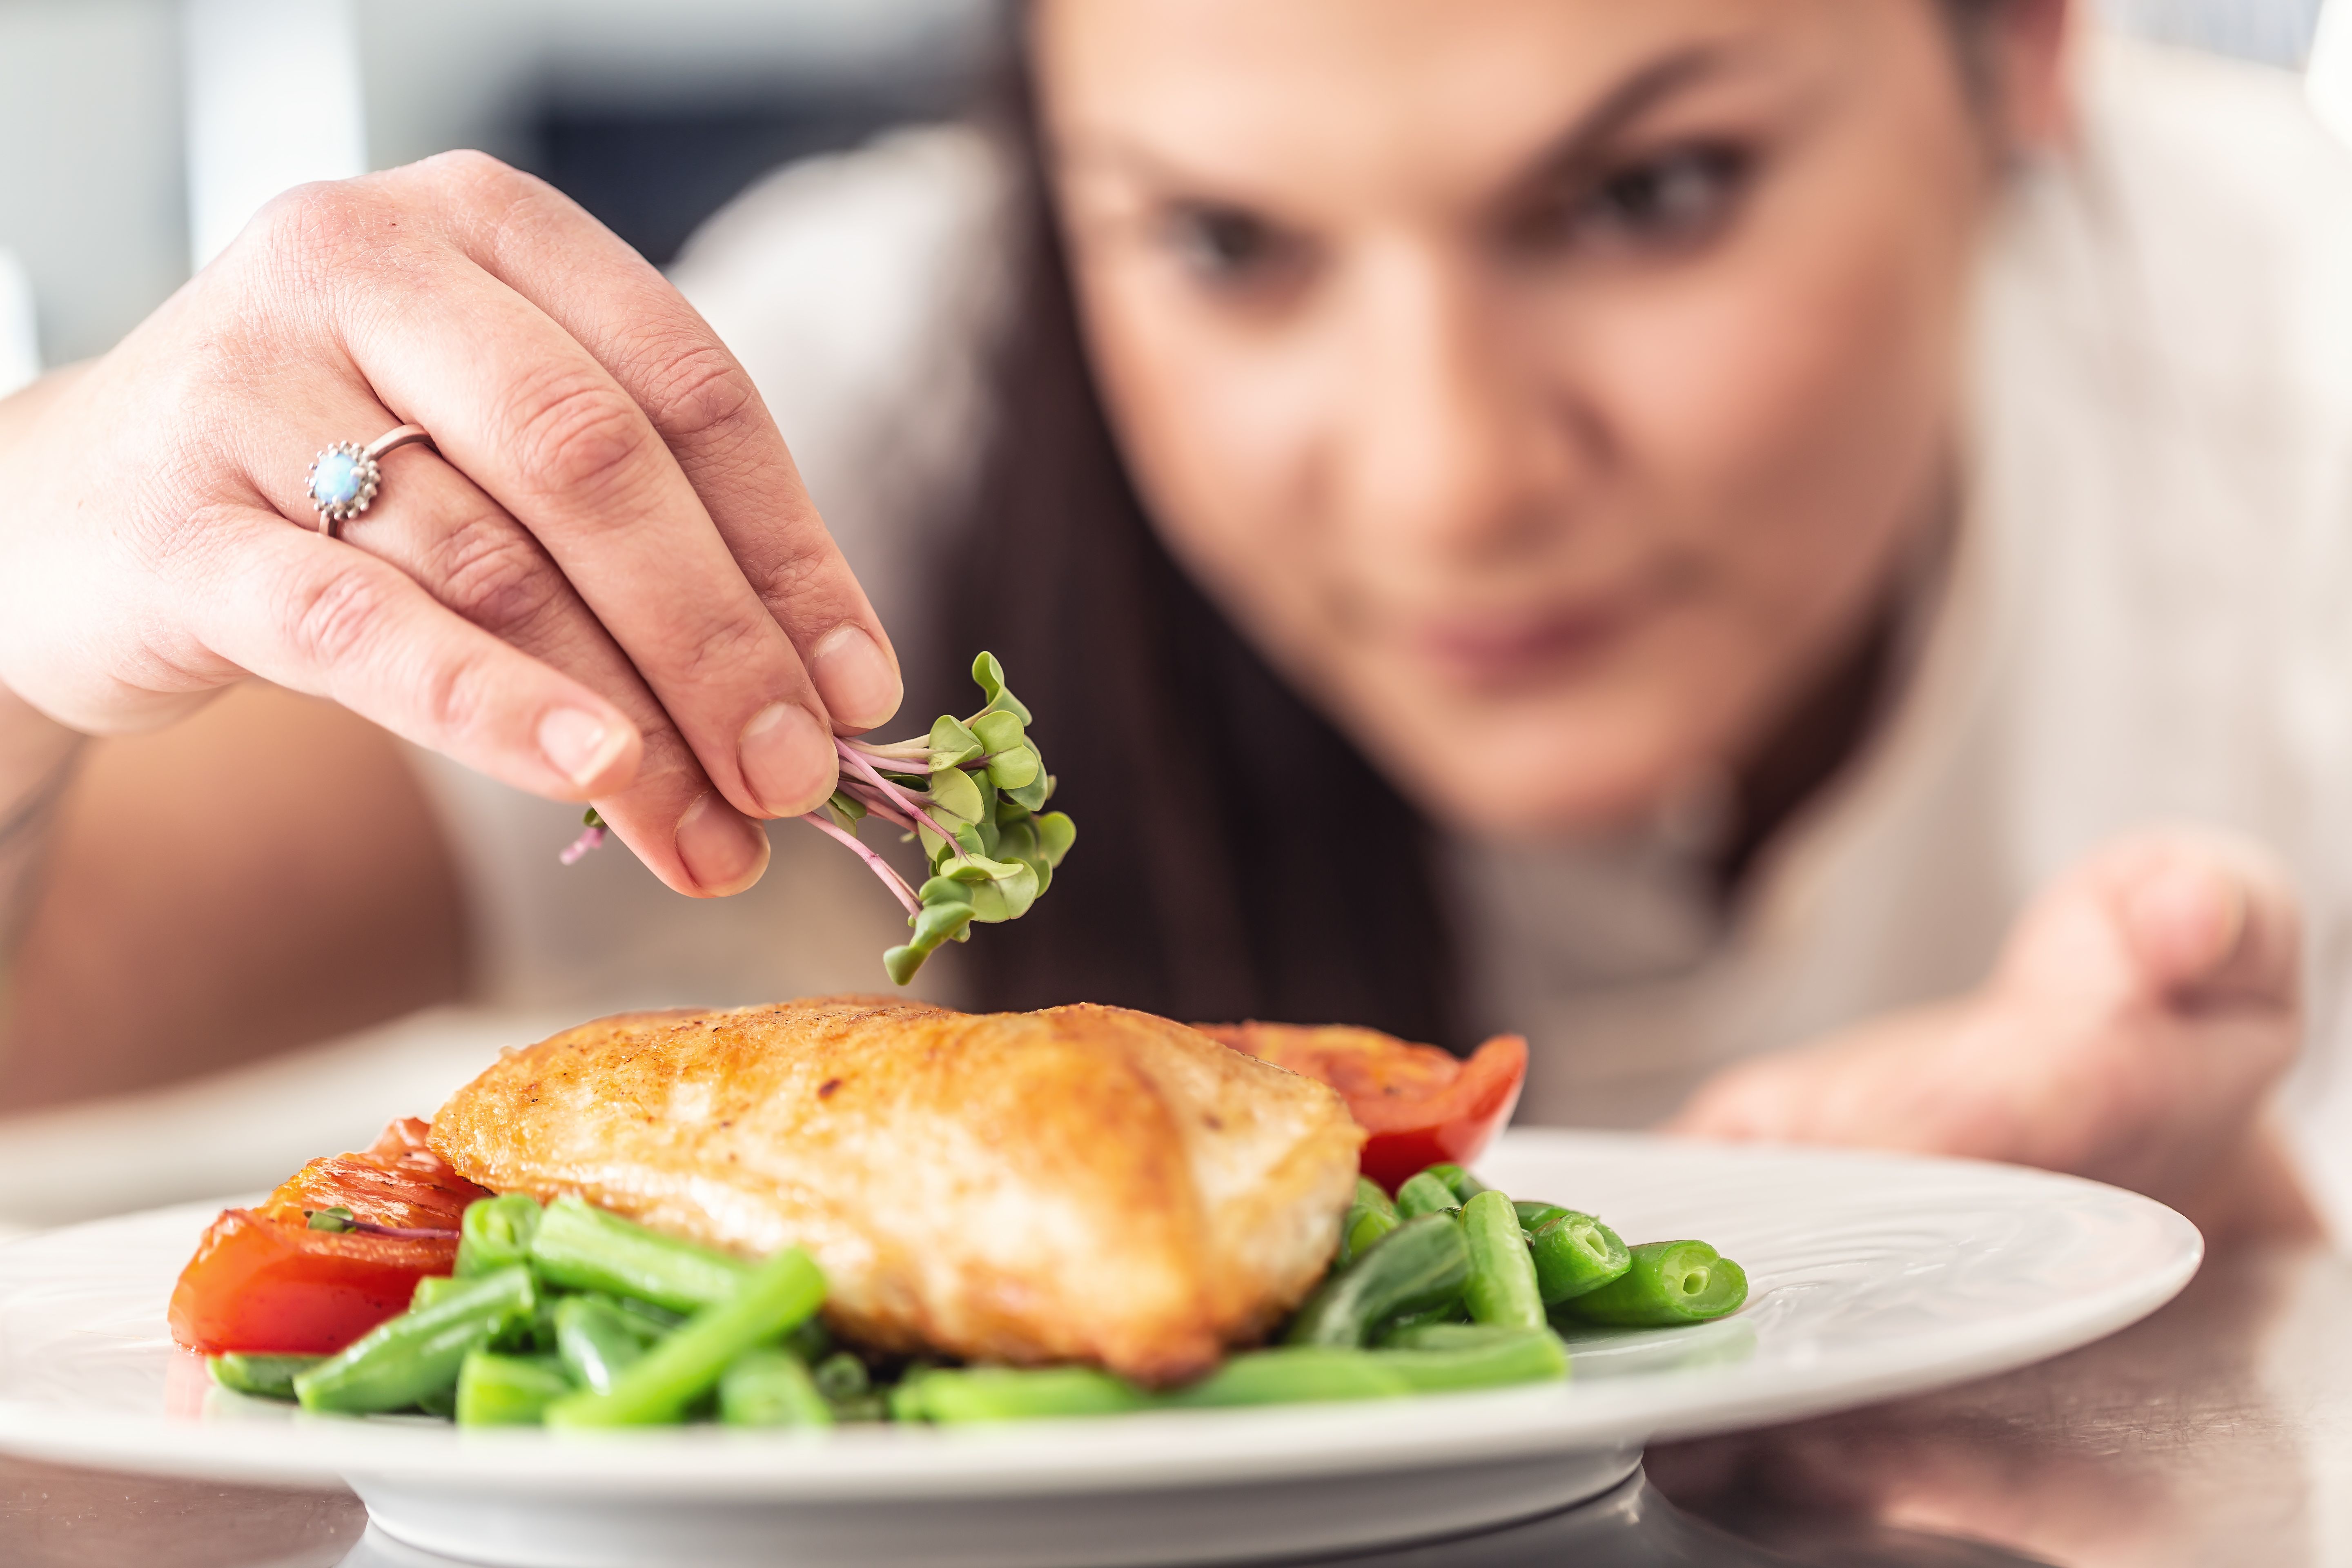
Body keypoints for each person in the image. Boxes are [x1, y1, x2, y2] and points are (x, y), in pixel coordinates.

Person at [0, 0, 2345, 1241]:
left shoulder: (2297, 349)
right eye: (1223, 245)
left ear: (2026, 38)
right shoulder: (866, 399)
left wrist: (2253, 1242)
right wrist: (32, 577)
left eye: (1654, 191)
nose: (1449, 476)